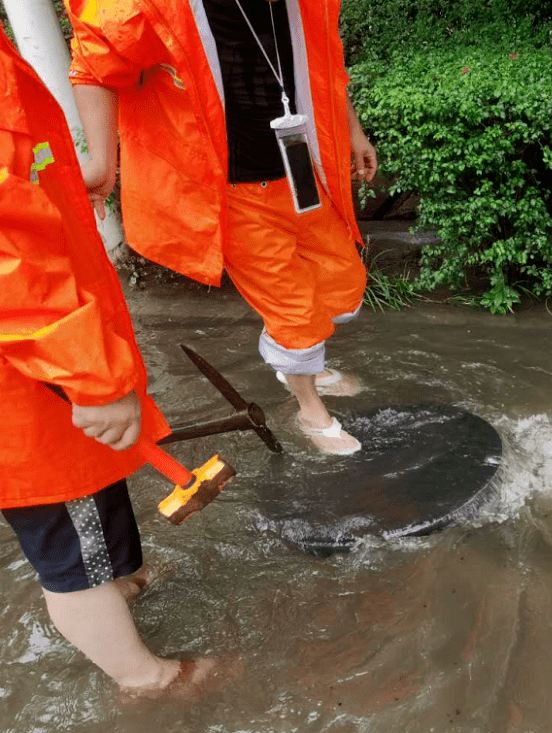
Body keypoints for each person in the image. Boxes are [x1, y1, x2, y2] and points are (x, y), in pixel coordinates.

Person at [0, 32, 220, 698]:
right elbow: (10, 266)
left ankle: (123, 581)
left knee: (94, 496)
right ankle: (150, 678)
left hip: (46, 361)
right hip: (33, 383)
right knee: (70, 547)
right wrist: (93, 379)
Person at [65, 0, 379, 455]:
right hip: (230, 189)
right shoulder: (151, 6)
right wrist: (102, 162)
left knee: (341, 281)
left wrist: (353, 131)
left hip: (303, 169)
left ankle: (296, 362)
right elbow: (95, 64)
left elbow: (321, 63)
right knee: (291, 307)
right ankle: (309, 407)